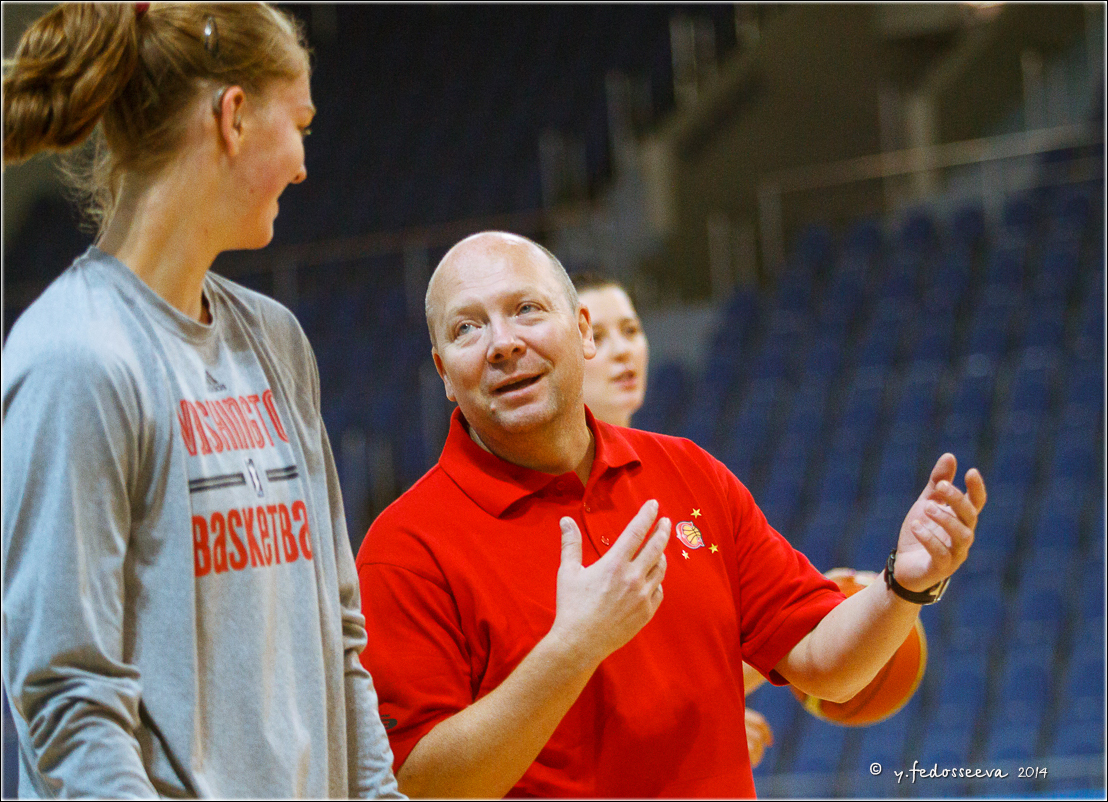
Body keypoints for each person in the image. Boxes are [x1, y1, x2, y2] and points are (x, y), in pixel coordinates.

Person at [355, 231, 987, 798]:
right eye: (466, 328)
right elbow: (426, 787)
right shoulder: (404, 550)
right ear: (443, 371)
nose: (502, 344)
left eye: (526, 309)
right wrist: (574, 646)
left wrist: (905, 583)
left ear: (581, 331)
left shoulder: (688, 472)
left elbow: (828, 666)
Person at [1, 4, 400, 797]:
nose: (302, 164)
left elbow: (340, 636)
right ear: (234, 118)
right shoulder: (74, 355)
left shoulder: (276, 340)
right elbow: (69, 703)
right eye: (302, 125)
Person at [571, 270, 775, 767]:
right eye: (596, 337)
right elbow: (600, 691)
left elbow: (675, 668)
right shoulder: (560, 507)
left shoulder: (682, 474)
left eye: (632, 330)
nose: (622, 350)